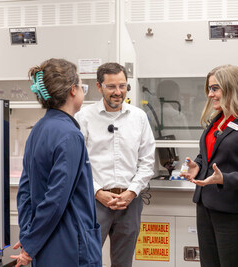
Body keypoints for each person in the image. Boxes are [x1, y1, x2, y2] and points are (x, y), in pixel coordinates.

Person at [11, 58, 102, 267]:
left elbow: (25, 190)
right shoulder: (70, 135)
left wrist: (28, 235)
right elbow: (57, 199)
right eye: (81, 86)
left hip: (45, 244)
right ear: (72, 90)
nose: (82, 91)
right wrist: (31, 242)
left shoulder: (39, 129)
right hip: (69, 245)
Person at [180, 64, 238, 267]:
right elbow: (209, 155)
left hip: (235, 212)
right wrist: (198, 165)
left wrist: (225, 179)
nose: (210, 94)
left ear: (232, 88)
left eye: (215, 88)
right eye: (209, 89)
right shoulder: (217, 120)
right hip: (206, 207)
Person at [75, 62, 155, 267]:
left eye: (122, 86)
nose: (118, 92)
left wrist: (131, 192)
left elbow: (147, 162)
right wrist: (97, 192)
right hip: (94, 202)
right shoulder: (84, 117)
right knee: (87, 260)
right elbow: (77, 164)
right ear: (99, 86)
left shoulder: (139, 117)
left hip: (129, 202)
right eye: (111, 86)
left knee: (123, 263)